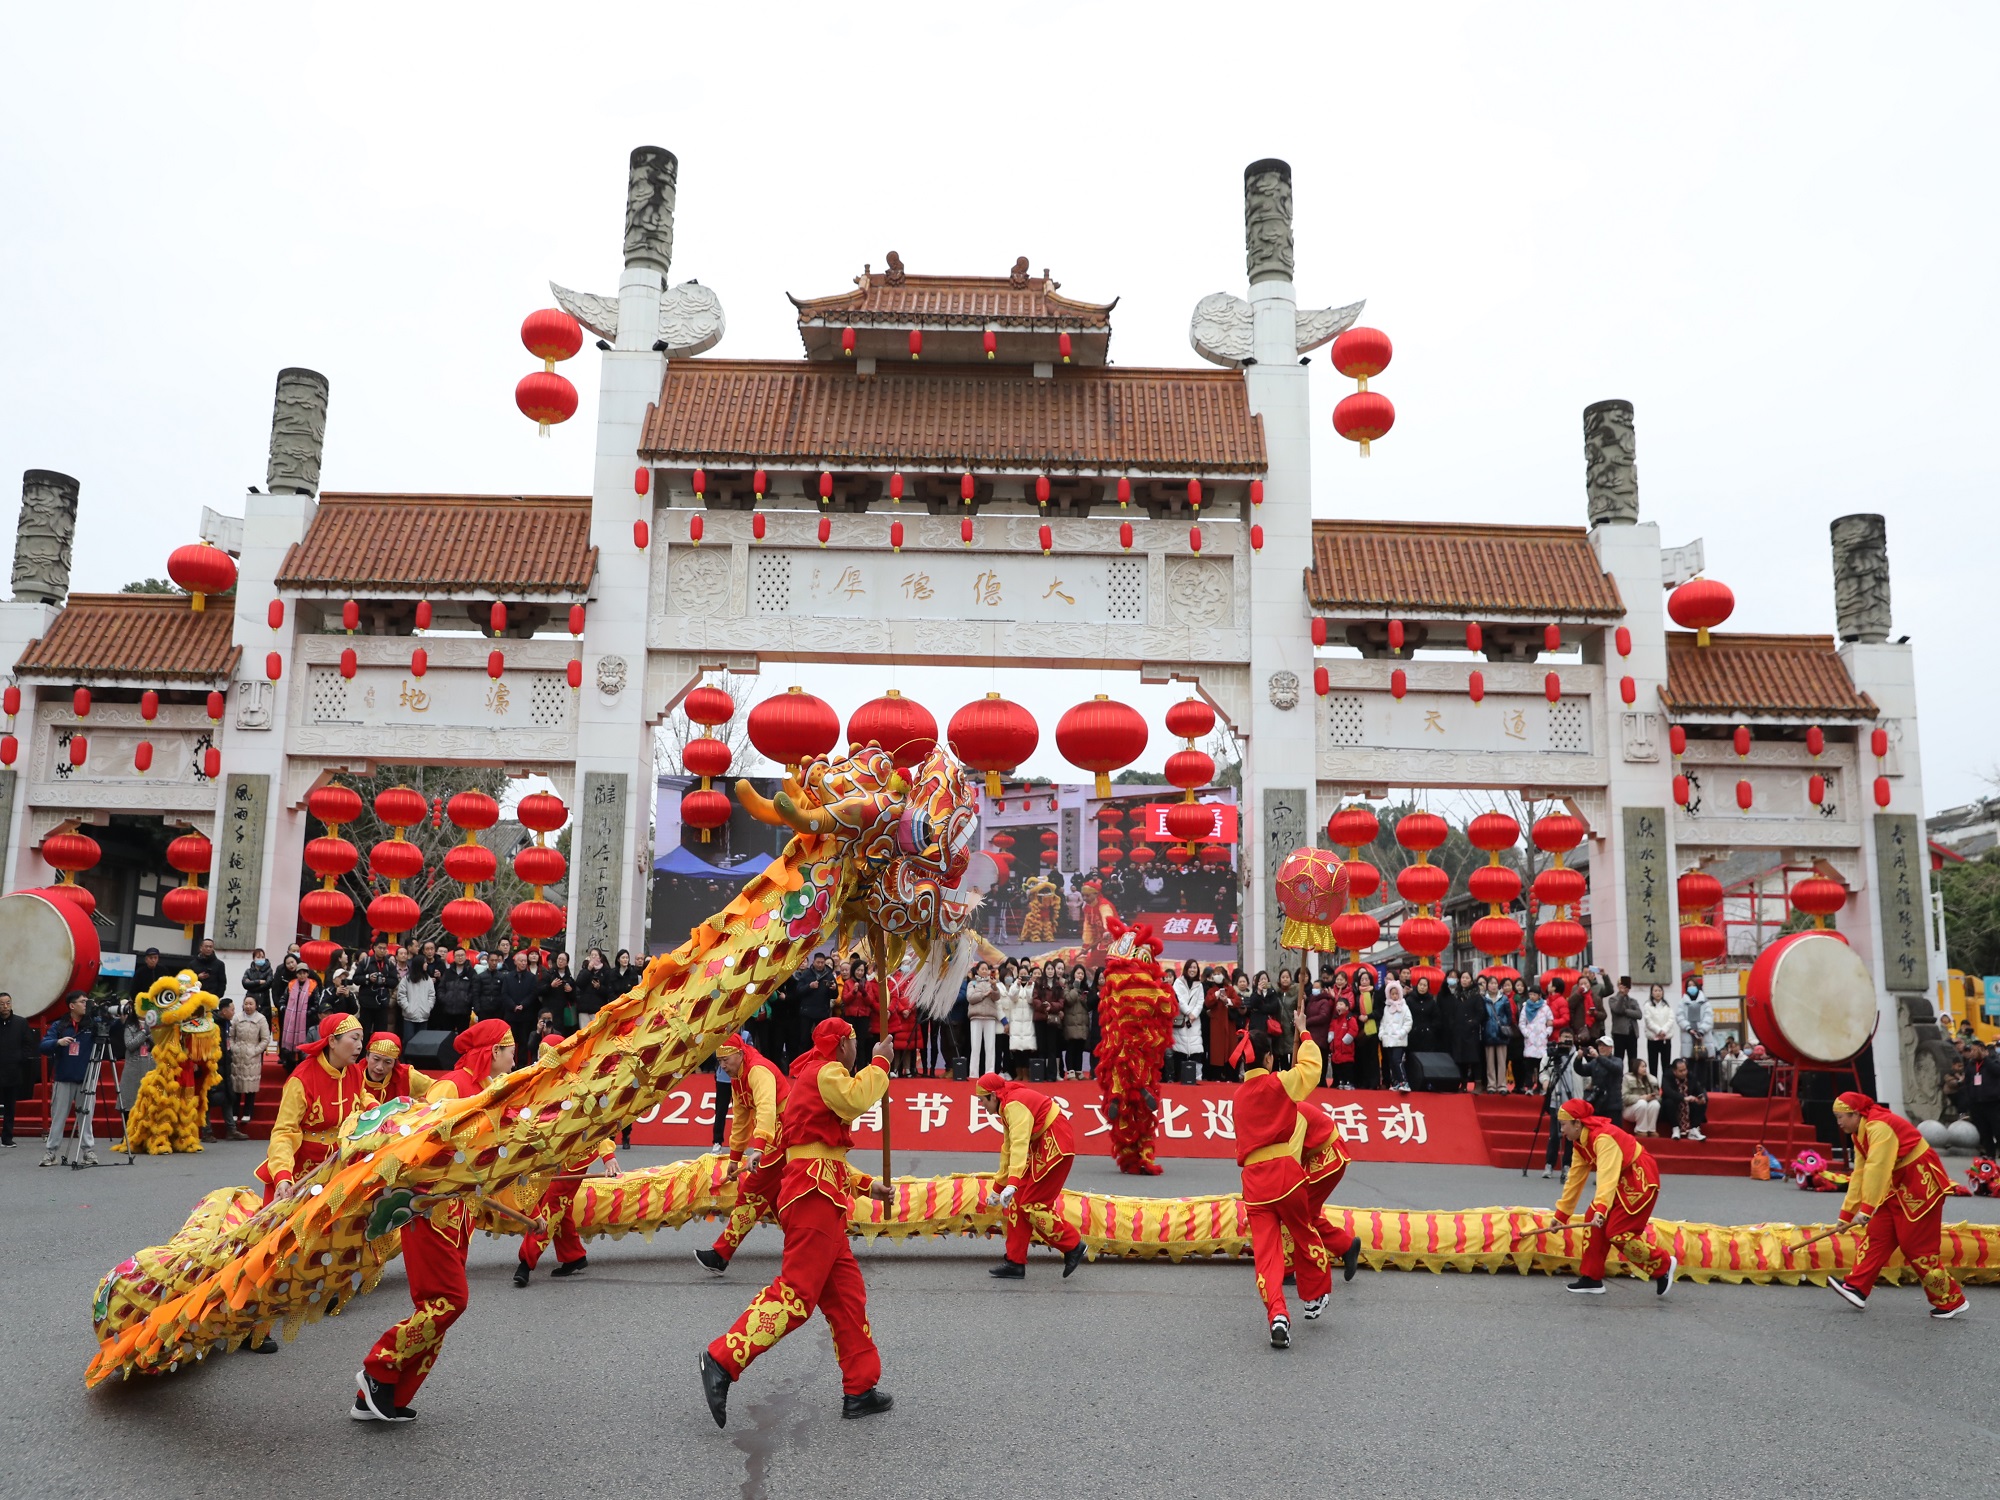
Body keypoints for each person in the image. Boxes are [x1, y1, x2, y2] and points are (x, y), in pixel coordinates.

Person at [701, 1018, 896, 1428]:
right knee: (796, 1294)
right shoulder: (826, 1071)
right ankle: (722, 1357)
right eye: (855, 1045)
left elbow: (822, 1149)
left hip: (821, 1193)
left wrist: (866, 1185)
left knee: (846, 1296)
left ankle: (859, 1388)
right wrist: (881, 1064)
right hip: (814, 1197)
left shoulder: (815, 1074)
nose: (857, 1052)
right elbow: (857, 1099)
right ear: (843, 1044)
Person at [354, 1018, 514, 1422]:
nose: (515, 1056)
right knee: (450, 1301)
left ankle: (384, 1395)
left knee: (437, 1306)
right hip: (431, 1211)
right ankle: (378, 1369)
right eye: (510, 1048)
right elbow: (417, 1144)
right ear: (494, 1051)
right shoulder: (452, 1087)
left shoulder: (487, 1090)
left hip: (460, 1215)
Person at [1233, 1020, 1333, 1348]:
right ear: (1267, 1060)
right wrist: (1303, 1033)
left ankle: (1277, 1313)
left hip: (1254, 1183)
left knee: (1266, 1254)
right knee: (1304, 1232)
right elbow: (1312, 1068)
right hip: (1285, 1175)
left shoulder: (1238, 1096)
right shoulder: (1279, 1084)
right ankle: (1315, 1295)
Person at [1827, 1091, 1967, 1319]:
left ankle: (1950, 1300)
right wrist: (1846, 1214)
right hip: (1896, 1185)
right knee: (1877, 1234)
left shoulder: (1879, 1127)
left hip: (1920, 1182)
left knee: (1918, 1247)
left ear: (1855, 1114)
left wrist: (1866, 1209)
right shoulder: (1859, 1133)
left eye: (1841, 1116)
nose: (1838, 1122)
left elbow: (1877, 1169)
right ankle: (1857, 1287)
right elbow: (1860, 1173)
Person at [513, 1036, 619, 1286]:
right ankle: (574, 1256)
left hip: (577, 1155)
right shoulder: (540, 1084)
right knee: (560, 1206)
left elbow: (599, 1125)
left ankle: (525, 1262)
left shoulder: (581, 1086)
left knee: (552, 1204)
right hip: (549, 1155)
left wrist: (608, 1156)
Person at [1551, 1099, 1677, 1297]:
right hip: (1619, 1180)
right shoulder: (1580, 1143)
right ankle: (1591, 1278)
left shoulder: (1603, 1138)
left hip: (1638, 1177)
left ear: (1577, 1123)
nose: (1561, 1130)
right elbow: (1574, 1180)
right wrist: (1561, 1215)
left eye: (1563, 1124)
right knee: (1592, 1219)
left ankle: (1663, 1265)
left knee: (1618, 1232)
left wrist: (1602, 1209)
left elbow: (1606, 1177)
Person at [695, 1033, 791, 1275]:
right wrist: (734, 1157)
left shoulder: (758, 1071)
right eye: (719, 1062)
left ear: (740, 1053)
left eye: (726, 1060)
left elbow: (767, 1108)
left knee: (751, 1193)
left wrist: (758, 1148)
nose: (723, 1066)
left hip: (781, 1134)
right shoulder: (738, 1076)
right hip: (773, 1137)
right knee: (778, 1200)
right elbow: (741, 1118)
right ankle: (807, 1249)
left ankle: (721, 1254)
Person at [975, 1070, 1086, 1279]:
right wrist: (999, 1188)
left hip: (1055, 1144)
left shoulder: (1013, 1105)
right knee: (1016, 1202)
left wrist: (1013, 1183)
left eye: (982, 1100)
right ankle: (1015, 1262)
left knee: (1033, 1205)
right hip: (1043, 1145)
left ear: (992, 1095)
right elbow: (1007, 1150)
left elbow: (1019, 1145)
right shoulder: (1006, 1105)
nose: (982, 1105)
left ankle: (1073, 1245)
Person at [258, 1013, 366, 1202]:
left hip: (341, 1167)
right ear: (332, 1041)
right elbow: (284, 1131)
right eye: (354, 1038)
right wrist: (283, 1175)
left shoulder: (355, 1072)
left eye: (361, 1039)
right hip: (304, 1171)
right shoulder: (302, 1079)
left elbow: (364, 1098)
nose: (359, 1045)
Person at [39, 993, 98, 1167]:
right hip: (63, 1078)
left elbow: (110, 1034)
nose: (86, 1005)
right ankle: (51, 1152)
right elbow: (43, 1046)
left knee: (86, 1118)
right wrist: (58, 1042)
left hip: (86, 1078)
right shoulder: (60, 1025)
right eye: (82, 1002)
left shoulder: (93, 1025)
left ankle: (88, 1151)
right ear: (72, 1006)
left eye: (87, 1002)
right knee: (58, 1117)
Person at [357, 1031, 445, 1108]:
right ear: (367, 1057)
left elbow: (440, 1087)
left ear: (395, 1063)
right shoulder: (354, 1075)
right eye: (376, 1059)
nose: (380, 1067)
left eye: (387, 1062)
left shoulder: (407, 1076)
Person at [228, 994, 273, 1130]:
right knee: (236, 1085)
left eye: (251, 1004)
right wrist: (234, 1048)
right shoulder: (237, 1018)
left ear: (256, 1005)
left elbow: (265, 1039)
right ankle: (235, 1112)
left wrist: (255, 1051)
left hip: (252, 1056)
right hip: (237, 1055)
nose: (248, 1006)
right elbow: (231, 1036)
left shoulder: (261, 1019)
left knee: (250, 1085)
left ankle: (247, 1112)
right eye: (246, 1003)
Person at [0, 993, 33, 1147]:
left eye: (8, 1003)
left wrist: (20, 1058)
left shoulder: (21, 1022)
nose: (5, 1007)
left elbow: (28, 1044)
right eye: (2, 1004)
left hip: (13, 1070)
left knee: (10, 1107)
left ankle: (7, 1138)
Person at [1958, 1039, 2000, 1154]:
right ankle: (1990, 1157)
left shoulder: (1993, 1061)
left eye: (1976, 1050)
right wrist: (1969, 1099)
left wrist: (1985, 1059)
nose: (1974, 1052)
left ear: (1984, 1050)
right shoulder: (1971, 1065)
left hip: (1992, 1103)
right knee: (1984, 1133)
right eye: (1973, 1050)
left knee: (1997, 1130)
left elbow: (1997, 1072)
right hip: (1976, 1104)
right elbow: (1967, 1083)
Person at [1171, 957, 1206, 1083]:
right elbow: (1178, 999)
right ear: (1186, 969)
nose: (1192, 970)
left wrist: (1194, 1015)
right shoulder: (1178, 983)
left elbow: (1201, 1002)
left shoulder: (1200, 985)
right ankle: (1179, 1079)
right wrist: (1188, 1012)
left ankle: (1197, 1079)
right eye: (1190, 967)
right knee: (1179, 1051)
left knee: (1196, 1051)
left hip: (1194, 1022)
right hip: (1181, 1021)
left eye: (1195, 967)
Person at [1575, 1037, 1625, 1122]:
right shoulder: (1595, 1062)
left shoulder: (1617, 1060)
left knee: (1613, 1132)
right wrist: (1578, 1059)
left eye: (1604, 1045)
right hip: (1598, 1103)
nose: (1601, 1048)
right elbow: (1581, 1070)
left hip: (1612, 1104)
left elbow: (1615, 1068)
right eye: (1600, 1045)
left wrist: (1598, 1057)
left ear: (1611, 1048)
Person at [353, 941, 397, 1037]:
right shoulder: (366, 962)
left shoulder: (389, 964)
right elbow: (356, 979)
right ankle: (363, 1051)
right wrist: (368, 978)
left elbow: (394, 982)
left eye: (384, 948)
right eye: (380, 948)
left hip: (382, 1004)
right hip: (366, 1003)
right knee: (364, 1032)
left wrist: (385, 981)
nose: (382, 950)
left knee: (380, 1034)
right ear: (374, 948)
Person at [965, 961, 1000, 1077]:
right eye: (982, 969)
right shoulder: (972, 983)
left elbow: (996, 997)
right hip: (976, 1016)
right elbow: (970, 998)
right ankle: (973, 1073)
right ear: (978, 970)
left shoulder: (993, 982)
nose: (985, 971)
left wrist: (994, 986)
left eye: (987, 969)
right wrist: (984, 994)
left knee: (990, 1047)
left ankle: (990, 1073)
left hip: (990, 1017)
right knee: (975, 1047)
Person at [1678, 977, 1714, 1090]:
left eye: (1693, 985)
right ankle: (1691, 1088)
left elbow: (1709, 1017)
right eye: (1689, 986)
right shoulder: (1682, 1002)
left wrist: (1701, 1030)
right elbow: (1679, 1017)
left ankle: (1703, 1088)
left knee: (1703, 1064)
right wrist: (1688, 1028)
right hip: (1688, 1036)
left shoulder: (1705, 1002)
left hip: (1702, 1037)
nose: (1691, 988)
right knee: (1690, 1064)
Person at [1660, 1058, 1708, 1140]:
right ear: (1674, 1071)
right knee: (1669, 1102)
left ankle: (1694, 1128)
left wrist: (1701, 1096)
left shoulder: (1690, 1075)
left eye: (1685, 1070)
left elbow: (1699, 1088)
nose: (1683, 1073)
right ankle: (1675, 1128)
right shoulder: (1667, 1076)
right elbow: (1668, 1092)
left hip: (1689, 1104)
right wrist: (1683, 1098)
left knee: (1702, 1102)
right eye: (1680, 1071)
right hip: (1673, 1104)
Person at [1482, 980, 1516, 1093]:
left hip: (1501, 1033)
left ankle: (1502, 1085)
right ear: (1487, 985)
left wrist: (1502, 1022)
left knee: (1502, 1061)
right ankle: (1491, 1085)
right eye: (1491, 983)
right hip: (1488, 1032)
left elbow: (1509, 1015)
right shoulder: (1483, 999)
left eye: (1495, 983)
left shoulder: (1504, 999)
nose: (1493, 986)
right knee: (1490, 1061)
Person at [1378, 983, 1412, 1092]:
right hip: (1388, 1040)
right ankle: (1396, 1082)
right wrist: (1382, 1034)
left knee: (1397, 1060)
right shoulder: (1386, 1008)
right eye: (1392, 994)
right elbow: (1383, 1023)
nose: (1394, 996)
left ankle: (1404, 1082)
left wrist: (1401, 1033)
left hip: (1399, 1040)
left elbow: (1408, 1022)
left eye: (1397, 993)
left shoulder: (1404, 1007)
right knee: (1391, 1062)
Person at [1062, 963, 1094, 1079]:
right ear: (1073, 974)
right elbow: (1068, 1000)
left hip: (1082, 1022)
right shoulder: (1068, 986)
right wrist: (1075, 987)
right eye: (1078, 973)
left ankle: (1078, 1071)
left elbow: (1089, 1006)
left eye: (1082, 973)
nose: (1080, 975)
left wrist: (1085, 998)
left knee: (1080, 1048)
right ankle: (1070, 1072)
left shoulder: (1086, 988)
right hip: (1071, 1021)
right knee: (1071, 1047)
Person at [1519, 989, 1552, 1097]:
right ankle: (1528, 1086)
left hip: (1541, 1040)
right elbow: (1522, 1023)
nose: (1532, 996)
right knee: (1529, 1066)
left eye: (1534, 994)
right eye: (1530, 994)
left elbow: (1550, 1022)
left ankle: (1539, 1086)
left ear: (1539, 995)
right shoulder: (1525, 1007)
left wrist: (1547, 1033)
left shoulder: (1545, 1008)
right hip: (1530, 1040)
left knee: (1541, 1066)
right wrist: (1526, 1033)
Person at [397, 953, 436, 1043]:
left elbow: (431, 996)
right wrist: (408, 1008)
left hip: (424, 1015)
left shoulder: (428, 979)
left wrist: (428, 1007)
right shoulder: (406, 980)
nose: (426, 964)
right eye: (424, 963)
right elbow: (401, 996)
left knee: (421, 1041)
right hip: (409, 1016)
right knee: (408, 1040)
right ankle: (406, 1057)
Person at [1640, 983, 1675, 1078]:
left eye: (1659, 990)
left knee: (1666, 1065)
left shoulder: (1667, 1006)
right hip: (1653, 1039)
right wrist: (1659, 1031)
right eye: (1655, 991)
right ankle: (1654, 1087)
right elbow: (1648, 1021)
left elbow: (1671, 1019)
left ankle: (1666, 1088)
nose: (1658, 993)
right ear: (1651, 993)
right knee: (1653, 1065)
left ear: (1662, 992)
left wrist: (1664, 1030)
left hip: (1665, 1039)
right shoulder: (1648, 1006)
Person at [1605, 977, 1641, 1068]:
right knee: (1618, 1059)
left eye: (1626, 986)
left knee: (1633, 1059)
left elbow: (1639, 1014)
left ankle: (1632, 1079)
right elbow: (1617, 1010)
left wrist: (1626, 1011)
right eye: (1622, 986)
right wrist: (1621, 996)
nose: (1625, 988)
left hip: (1632, 1033)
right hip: (1619, 1033)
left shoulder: (1633, 1001)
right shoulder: (1613, 999)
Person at [1621, 1057, 1661, 1136]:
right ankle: (1640, 1130)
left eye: (1645, 1066)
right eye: (1642, 1067)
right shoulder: (1627, 1079)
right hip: (1629, 1109)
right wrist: (1641, 1097)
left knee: (1655, 1104)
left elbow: (1659, 1097)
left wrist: (1652, 1097)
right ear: (1636, 1067)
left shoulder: (1651, 1079)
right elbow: (1624, 1098)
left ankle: (1651, 1130)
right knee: (1642, 1103)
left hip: (1646, 1107)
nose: (1645, 1069)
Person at [191, 937, 228, 1002]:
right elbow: (187, 980)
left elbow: (222, 983)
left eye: (210, 947)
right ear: (201, 948)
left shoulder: (219, 964)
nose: (208, 949)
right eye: (206, 946)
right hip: (195, 997)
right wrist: (197, 977)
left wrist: (217, 996)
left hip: (212, 998)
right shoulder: (192, 964)